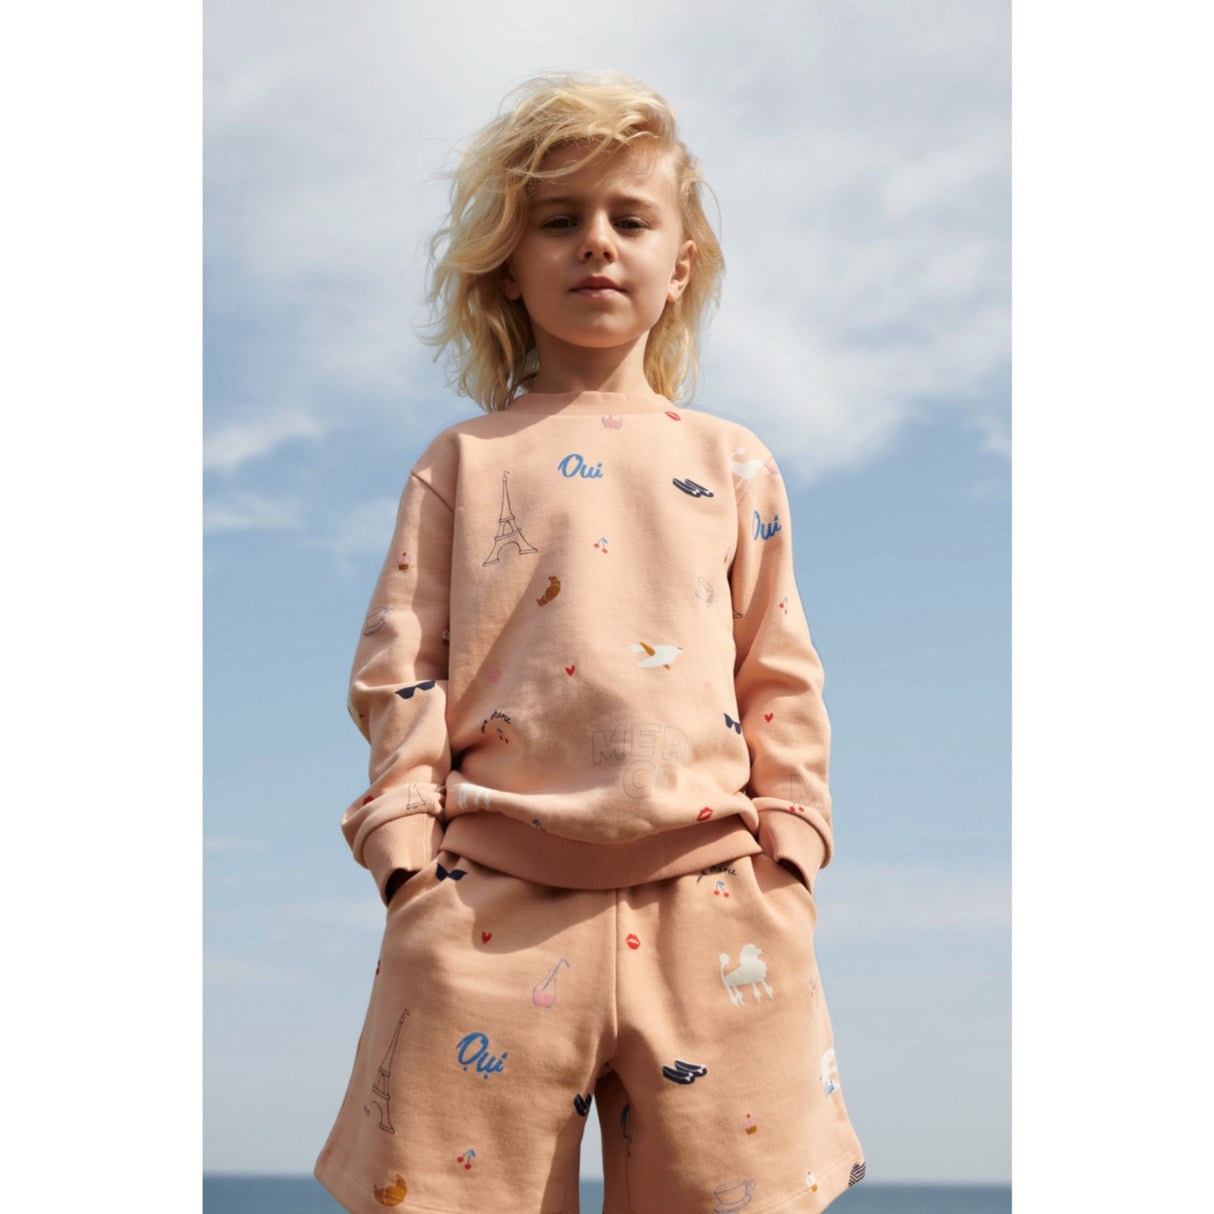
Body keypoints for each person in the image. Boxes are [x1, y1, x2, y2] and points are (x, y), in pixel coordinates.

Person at [315, 71, 865, 1213]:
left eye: (630, 218)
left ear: (682, 265)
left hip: (719, 905)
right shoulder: (462, 460)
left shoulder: (733, 461)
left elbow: (778, 670)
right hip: (486, 910)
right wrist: (408, 863)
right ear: (509, 268)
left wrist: (791, 857)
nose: (596, 243)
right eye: (558, 220)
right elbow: (400, 667)